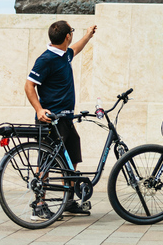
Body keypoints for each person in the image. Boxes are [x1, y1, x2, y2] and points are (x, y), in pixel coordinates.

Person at [24, 20, 97, 220]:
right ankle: (39, 206)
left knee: (71, 159)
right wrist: (39, 110)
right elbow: (29, 86)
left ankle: (68, 201)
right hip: (50, 120)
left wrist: (88, 35)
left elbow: (76, 49)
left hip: (66, 118)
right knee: (45, 162)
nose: (72, 36)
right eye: (72, 32)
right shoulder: (46, 59)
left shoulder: (64, 55)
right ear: (67, 36)